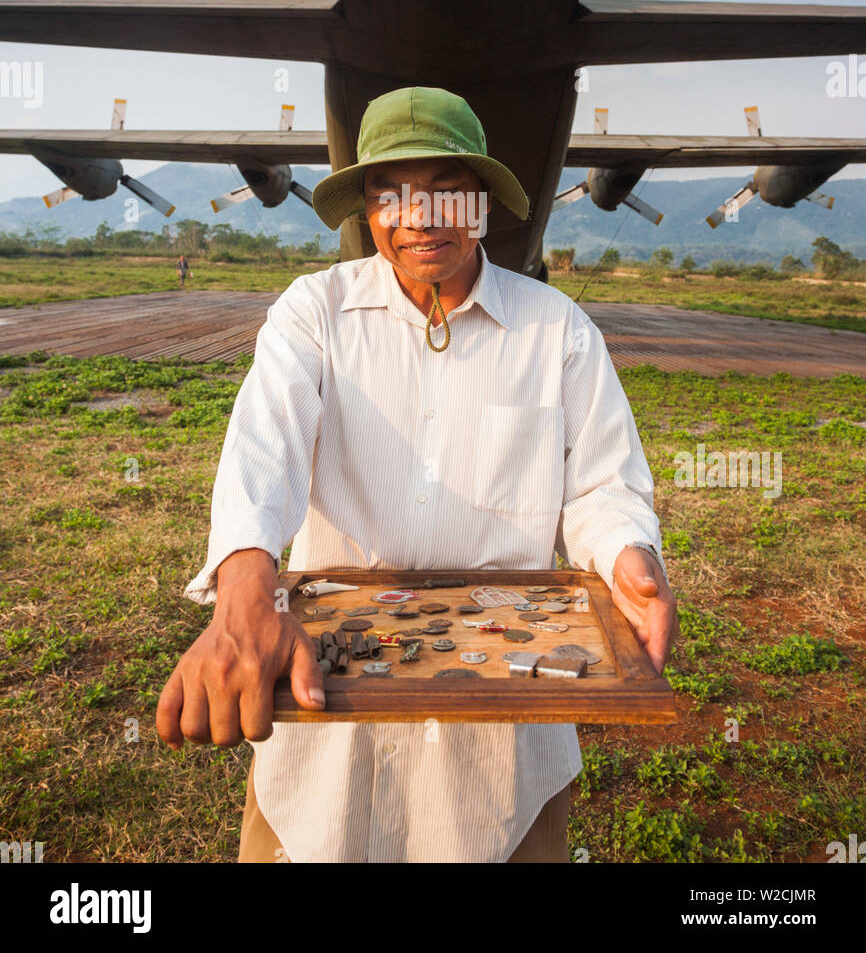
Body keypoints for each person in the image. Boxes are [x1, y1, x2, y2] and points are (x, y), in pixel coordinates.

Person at [156, 85, 678, 863]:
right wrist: (240, 594)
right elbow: (265, 452)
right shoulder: (315, 312)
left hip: (506, 718)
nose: (419, 218)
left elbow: (602, 486)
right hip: (330, 715)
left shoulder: (555, 329)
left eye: (446, 191)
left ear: (484, 202)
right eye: (389, 194)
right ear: (367, 208)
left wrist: (627, 555)